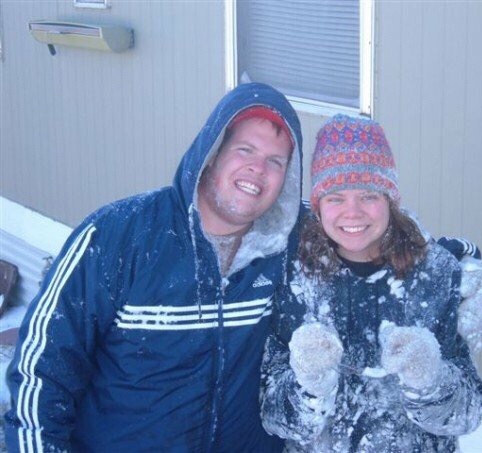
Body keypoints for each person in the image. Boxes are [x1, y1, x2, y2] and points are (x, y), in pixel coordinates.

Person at [4, 82, 303, 452]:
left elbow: (354, 220)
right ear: (212, 154)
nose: (257, 169)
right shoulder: (117, 236)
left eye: (276, 162)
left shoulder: (287, 247)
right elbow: (44, 368)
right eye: (245, 150)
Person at [260, 114, 482, 452]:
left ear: (389, 200)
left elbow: (469, 412)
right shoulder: (296, 278)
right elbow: (273, 416)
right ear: (318, 206)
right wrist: (308, 385)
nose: (352, 212)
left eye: (368, 195)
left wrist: (430, 381)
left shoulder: (436, 275)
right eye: (336, 197)